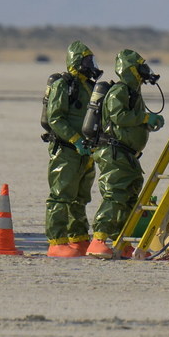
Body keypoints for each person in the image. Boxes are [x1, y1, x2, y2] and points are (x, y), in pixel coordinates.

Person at [87, 49, 164, 259]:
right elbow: (119, 116)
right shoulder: (119, 91)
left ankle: (124, 241)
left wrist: (147, 125)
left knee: (130, 196)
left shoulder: (132, 93)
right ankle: (98, 240)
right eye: (140, 66)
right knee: (116, 193)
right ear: (130, 69)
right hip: (114, 152)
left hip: (128, 154)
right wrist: (145, 118)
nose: (144, 70)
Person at [44, 41, 102, 258]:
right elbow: (55, 118)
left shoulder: (88, 86)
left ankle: (78, 239)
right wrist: (76, 139)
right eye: (87, 60)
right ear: (76, 62)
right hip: (67, 150)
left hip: (85, 153)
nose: (91, 65)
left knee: (80, 197)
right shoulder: (64, 85)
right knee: (61, 195)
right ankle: (57, 241)